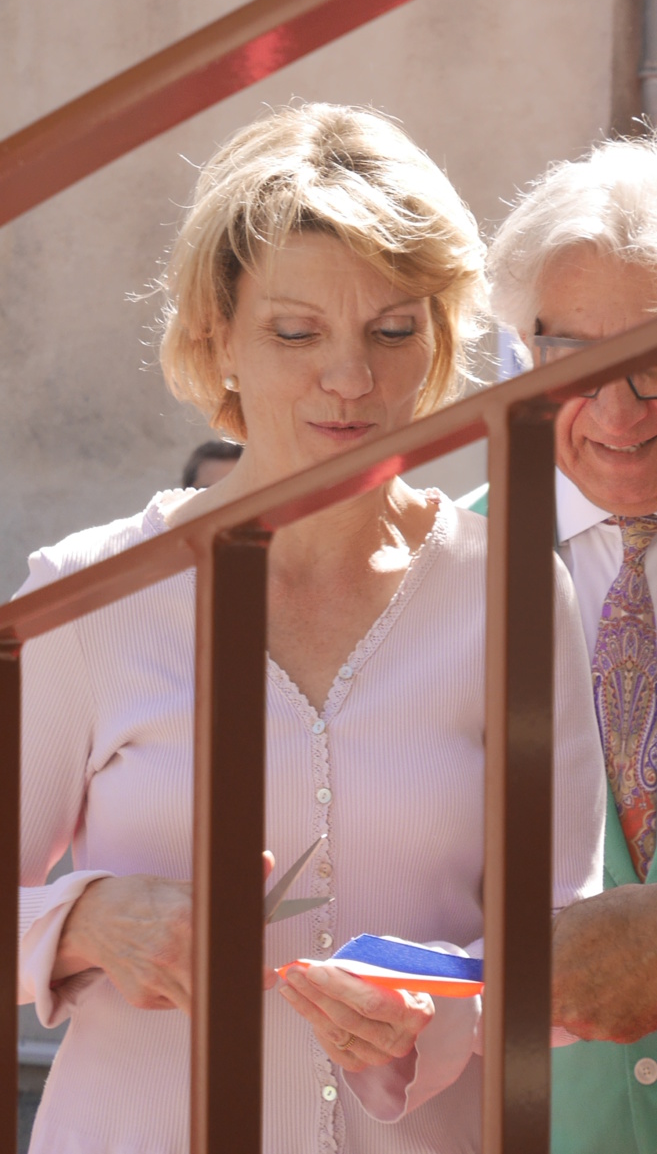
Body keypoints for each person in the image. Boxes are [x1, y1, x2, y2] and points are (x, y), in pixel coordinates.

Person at [17, 103, 605, 1154]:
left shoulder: (510, 590)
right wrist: (85, 919)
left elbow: (567, 934)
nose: (353, 379)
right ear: (217, 337)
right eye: (297, 332)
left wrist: (445, 1005)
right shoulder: (88, 594)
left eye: (393, 330)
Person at [486, 135, 657, 1154]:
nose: (620, 412)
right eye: (576, 363)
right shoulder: (440, 566)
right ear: (523, 355)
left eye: (651, 362)